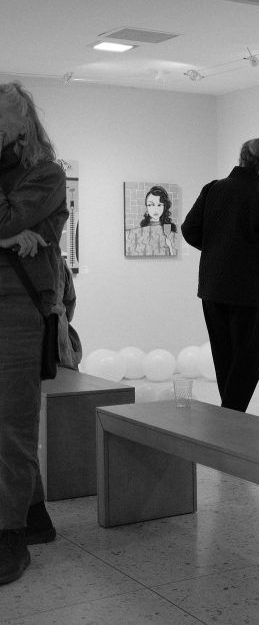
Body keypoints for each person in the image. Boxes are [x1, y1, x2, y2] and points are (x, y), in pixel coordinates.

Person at [0, 81, 67, 585]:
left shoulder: (45, 175)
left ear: (23, 121)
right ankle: (36, 514)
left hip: (17, 309)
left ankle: (10, 537)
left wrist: (9, 228)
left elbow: (10, 215)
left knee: (12, 423)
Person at [181, 138, 259, 412]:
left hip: (213, 287)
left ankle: (229, 416)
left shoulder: (213, 189)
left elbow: (189, 229)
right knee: (249, 360)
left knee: (225, 358)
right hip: (249, 293)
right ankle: (230, 417)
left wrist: (217, 248)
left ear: (241, 159)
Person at [125, 185, 178, 256]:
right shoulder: (142, 227)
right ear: (146, 207)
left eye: (159, 205)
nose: (155, 209)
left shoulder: (169, 228)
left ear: (164, 207)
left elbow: (173, 253)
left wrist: (170, 246)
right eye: (151, 205)